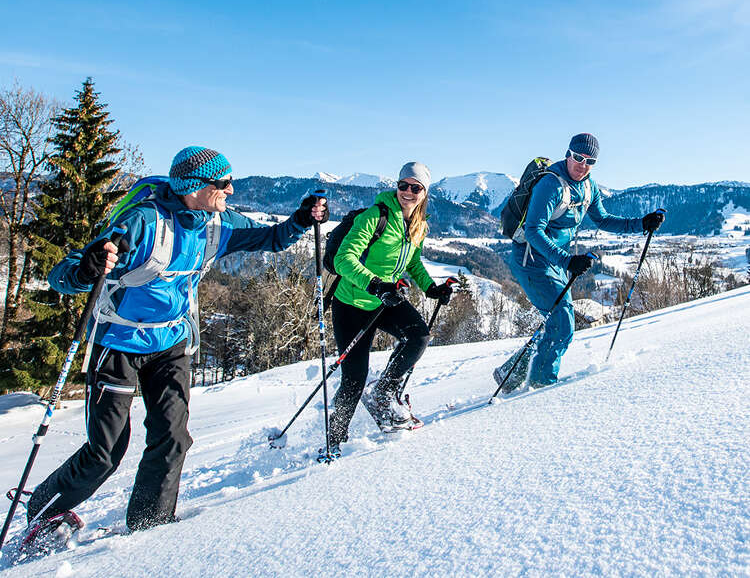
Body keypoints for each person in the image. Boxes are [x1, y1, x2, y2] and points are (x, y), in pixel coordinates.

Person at [26, 146, 328, 534]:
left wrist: (301, 219)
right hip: (118, 343)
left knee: (172, 439)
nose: (231, 190)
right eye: (223, 183)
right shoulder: (142, 222)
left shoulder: (217, 224)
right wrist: (86, 269)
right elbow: (63, 274)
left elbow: (271, 238)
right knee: (105, 453)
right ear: (193, 186)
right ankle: (43, 511)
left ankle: (151, 527)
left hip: (170, 343)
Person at [495, 133, 665, 392]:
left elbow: (604, 219)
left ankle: (510, 374)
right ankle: (540, 387)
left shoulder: (588, 186)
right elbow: (533, 230)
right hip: (532, 260)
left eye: (590, 161)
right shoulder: (551, 185)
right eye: (577, 157)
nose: (582, 164)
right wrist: (567, 260)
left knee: (556, 322)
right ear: (568, 154)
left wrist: (641, 223)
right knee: (562, 323)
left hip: (557, 262)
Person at [328, 162, 454, 453]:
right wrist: (374, 284)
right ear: (396, 186)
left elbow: (412, 262)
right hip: (353, 303)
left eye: (416, 187)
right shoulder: (375, 217)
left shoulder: (419, 225)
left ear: (425, 193)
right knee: (354, 378)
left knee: (419, 336)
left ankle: (384, 392)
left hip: (386, 300)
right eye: (403, 185)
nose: (408, 192)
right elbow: (343, 260)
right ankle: (334, 438)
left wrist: (431, 288)